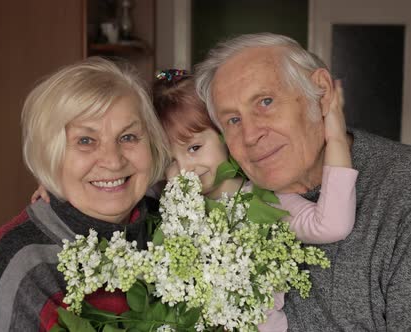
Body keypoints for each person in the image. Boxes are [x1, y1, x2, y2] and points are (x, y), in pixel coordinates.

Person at [194, 33, 411, 330]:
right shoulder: (226, 202)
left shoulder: (410, 185)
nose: (250, 135)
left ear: (320, 92)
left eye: (265, 102)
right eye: (233, 120)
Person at [0, 57, 171, 332]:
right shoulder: (24, 260)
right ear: (51, 155)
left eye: (128, 137)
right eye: (85, 141)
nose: (113, 161)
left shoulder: (170, 221)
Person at [152, 69, 358, 331]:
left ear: (226, 136)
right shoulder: (169, 213)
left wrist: (337, 139)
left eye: (194, 148)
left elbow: (332, 225)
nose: (184, 169)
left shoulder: (264, 200)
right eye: (169, 160)